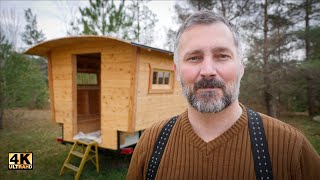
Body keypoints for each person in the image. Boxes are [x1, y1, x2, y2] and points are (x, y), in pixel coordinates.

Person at [127, 10, 320, 180]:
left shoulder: (290, 148)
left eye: (222, 56)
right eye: (194, 58)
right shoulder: (152, 142)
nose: (208, 70)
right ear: (176, 71)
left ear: (241, 67)